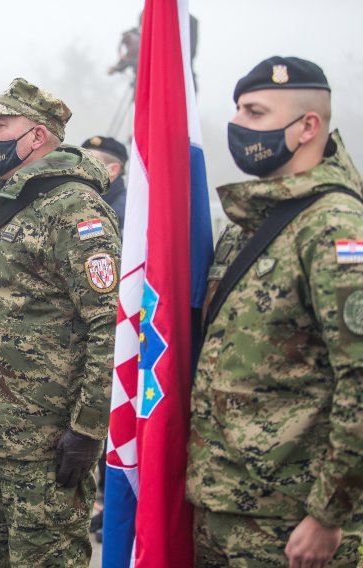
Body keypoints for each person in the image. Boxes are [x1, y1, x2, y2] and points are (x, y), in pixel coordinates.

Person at [188, 56, 363, 567]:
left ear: (308, 126)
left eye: (256, 113)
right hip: (224, 504)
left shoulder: (333, 225)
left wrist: (329, 514)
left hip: (290, 526)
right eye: (238, 110)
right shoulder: (252, 221)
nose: (237, 125)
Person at [0, 78, 121, 567]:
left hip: (45, 441)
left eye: (0, 124)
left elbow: (111, 326)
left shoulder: (73, 209)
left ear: (37, 136)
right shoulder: (12, 200)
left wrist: (86, 430)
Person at [82, 135, 128, 233]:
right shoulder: (87, 198)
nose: (80, 169)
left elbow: (83, 235)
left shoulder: (124, 211)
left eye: (89, 163)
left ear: (113, 170)